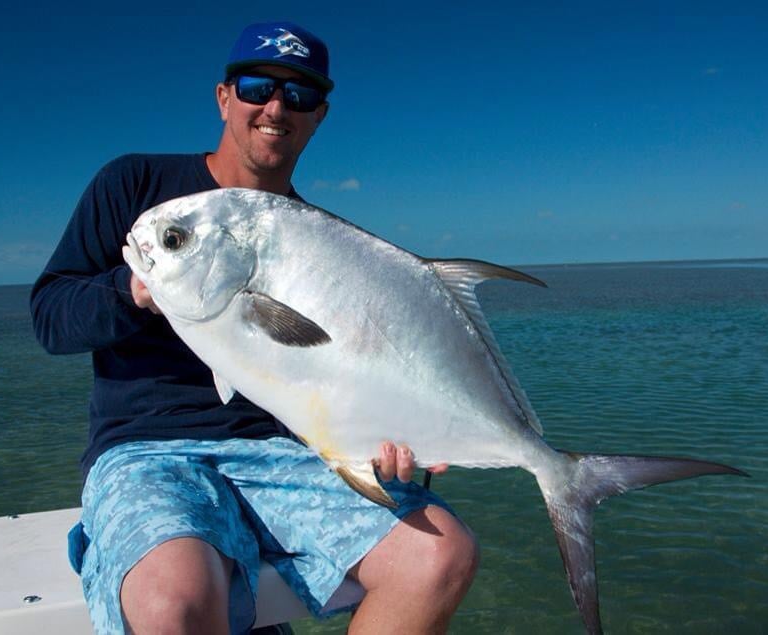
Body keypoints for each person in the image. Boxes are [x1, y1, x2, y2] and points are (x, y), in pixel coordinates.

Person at [31, 21, 478, 635]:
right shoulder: (135, 188)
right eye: (257, 87)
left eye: (297, 96)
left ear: (318, 115)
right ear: (223, 97)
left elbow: (344, 369)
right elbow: (51, 319)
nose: (275, 107)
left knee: (439, 554)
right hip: (144, 450)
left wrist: (390, 433)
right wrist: (136, 289)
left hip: (280, 453)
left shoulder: (325, 246)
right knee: (174, 601)